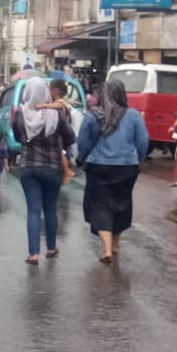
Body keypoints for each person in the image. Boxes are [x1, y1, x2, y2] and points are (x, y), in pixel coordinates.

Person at [76, 80, 150, 263]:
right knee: (121, 204)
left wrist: (82, 158)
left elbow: (83, 141)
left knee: (100, 206)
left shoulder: (93, 115)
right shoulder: (133, 115)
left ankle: (107, 249)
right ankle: (115, 244)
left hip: (98, 166)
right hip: (127, 167)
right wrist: (138, 159)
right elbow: (143, 141)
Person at [17, 77, 75, 264]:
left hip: (29, 167)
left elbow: (18, 137)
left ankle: (33, 254)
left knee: (33, 210)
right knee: (50, 208)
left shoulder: (21, 114)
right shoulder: (57, 114)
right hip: (52, 167)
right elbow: (71, 137)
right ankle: (51, 248)